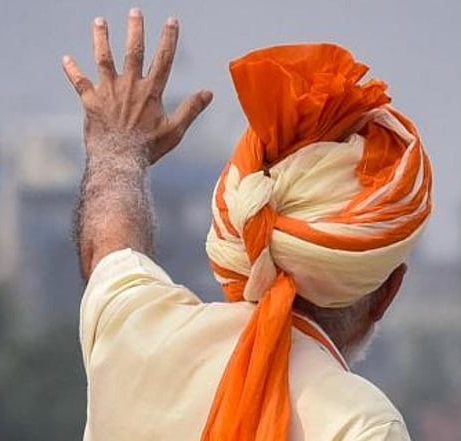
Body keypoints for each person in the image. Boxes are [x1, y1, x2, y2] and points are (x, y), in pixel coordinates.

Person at [62, 8, 433, 441]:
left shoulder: (138, 335)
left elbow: (108, 245)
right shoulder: (359, 423)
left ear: (240, 248)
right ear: (386, 295)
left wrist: (118, 146)